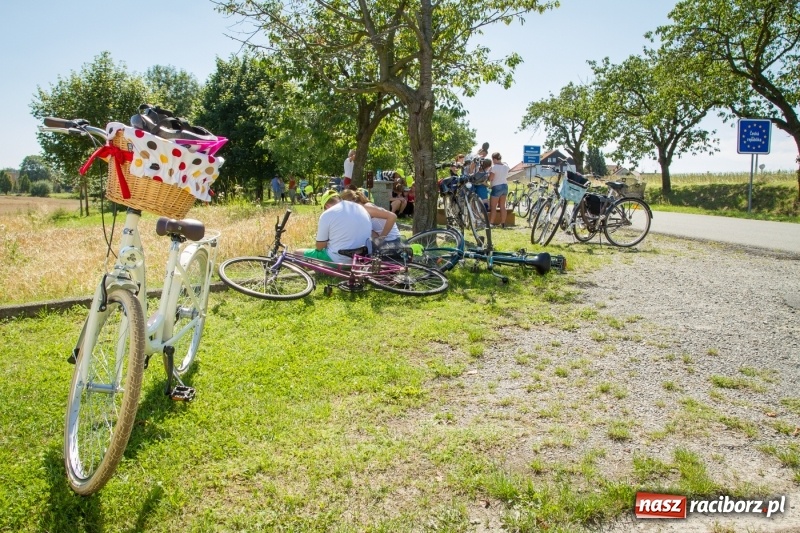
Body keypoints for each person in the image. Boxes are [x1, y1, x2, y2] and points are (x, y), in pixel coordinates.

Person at [302, 189, 372, 264]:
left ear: (326, 206)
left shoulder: (327, 214)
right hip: (363, 257)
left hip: (340, 260)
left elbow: (319, 247)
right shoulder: (360, 207)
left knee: (297, 252)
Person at [488, 152, 510, 227]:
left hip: (497, 186)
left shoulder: (494, 167)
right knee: (502, 206)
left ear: (494, 159)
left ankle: (491, 223)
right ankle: (503, 223)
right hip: (505, 186)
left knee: (493, 207)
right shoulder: (506, 166)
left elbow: (491, 178)